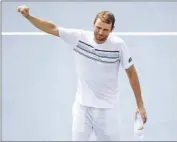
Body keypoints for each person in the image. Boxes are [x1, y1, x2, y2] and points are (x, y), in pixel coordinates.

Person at [17, 5, 147, 141]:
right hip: (82, 109)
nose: (100, 33)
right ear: (93, 24)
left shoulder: (118, 45)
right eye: (98, 27)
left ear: (112, 30)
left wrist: (140, 105)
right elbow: (52, 28)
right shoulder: (79, 37)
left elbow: (131, 73)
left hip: (108, 111)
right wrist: (28, 17)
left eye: (105, 30)